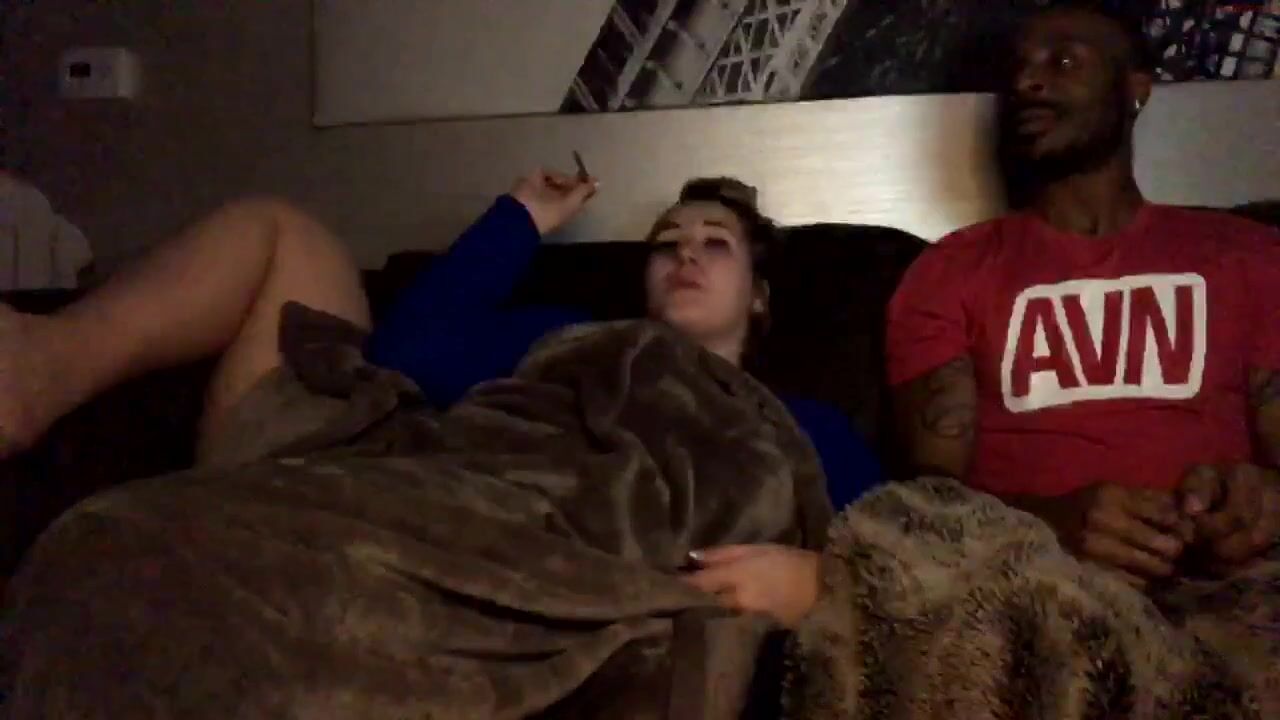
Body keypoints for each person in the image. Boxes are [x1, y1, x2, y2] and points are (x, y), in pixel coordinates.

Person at [885, 1, 1280, 588]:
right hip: (1034, 586)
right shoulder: (950, 269)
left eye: (1064, 62)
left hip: (1228, 587)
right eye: (1018, 67)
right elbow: (929, 503)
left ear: (1135, 91)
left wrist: (1257, 504)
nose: (1027, 81)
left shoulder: (1249, 256)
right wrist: (1052, 526)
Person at [365, 171, 883, 511]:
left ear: (758, 298)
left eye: (715, 243)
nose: (686, 254)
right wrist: (523, 215)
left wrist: (799, 582)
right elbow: (406, 352)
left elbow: (879, 554)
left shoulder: (808, 429)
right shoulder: (570, 345)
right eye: (667, 243)